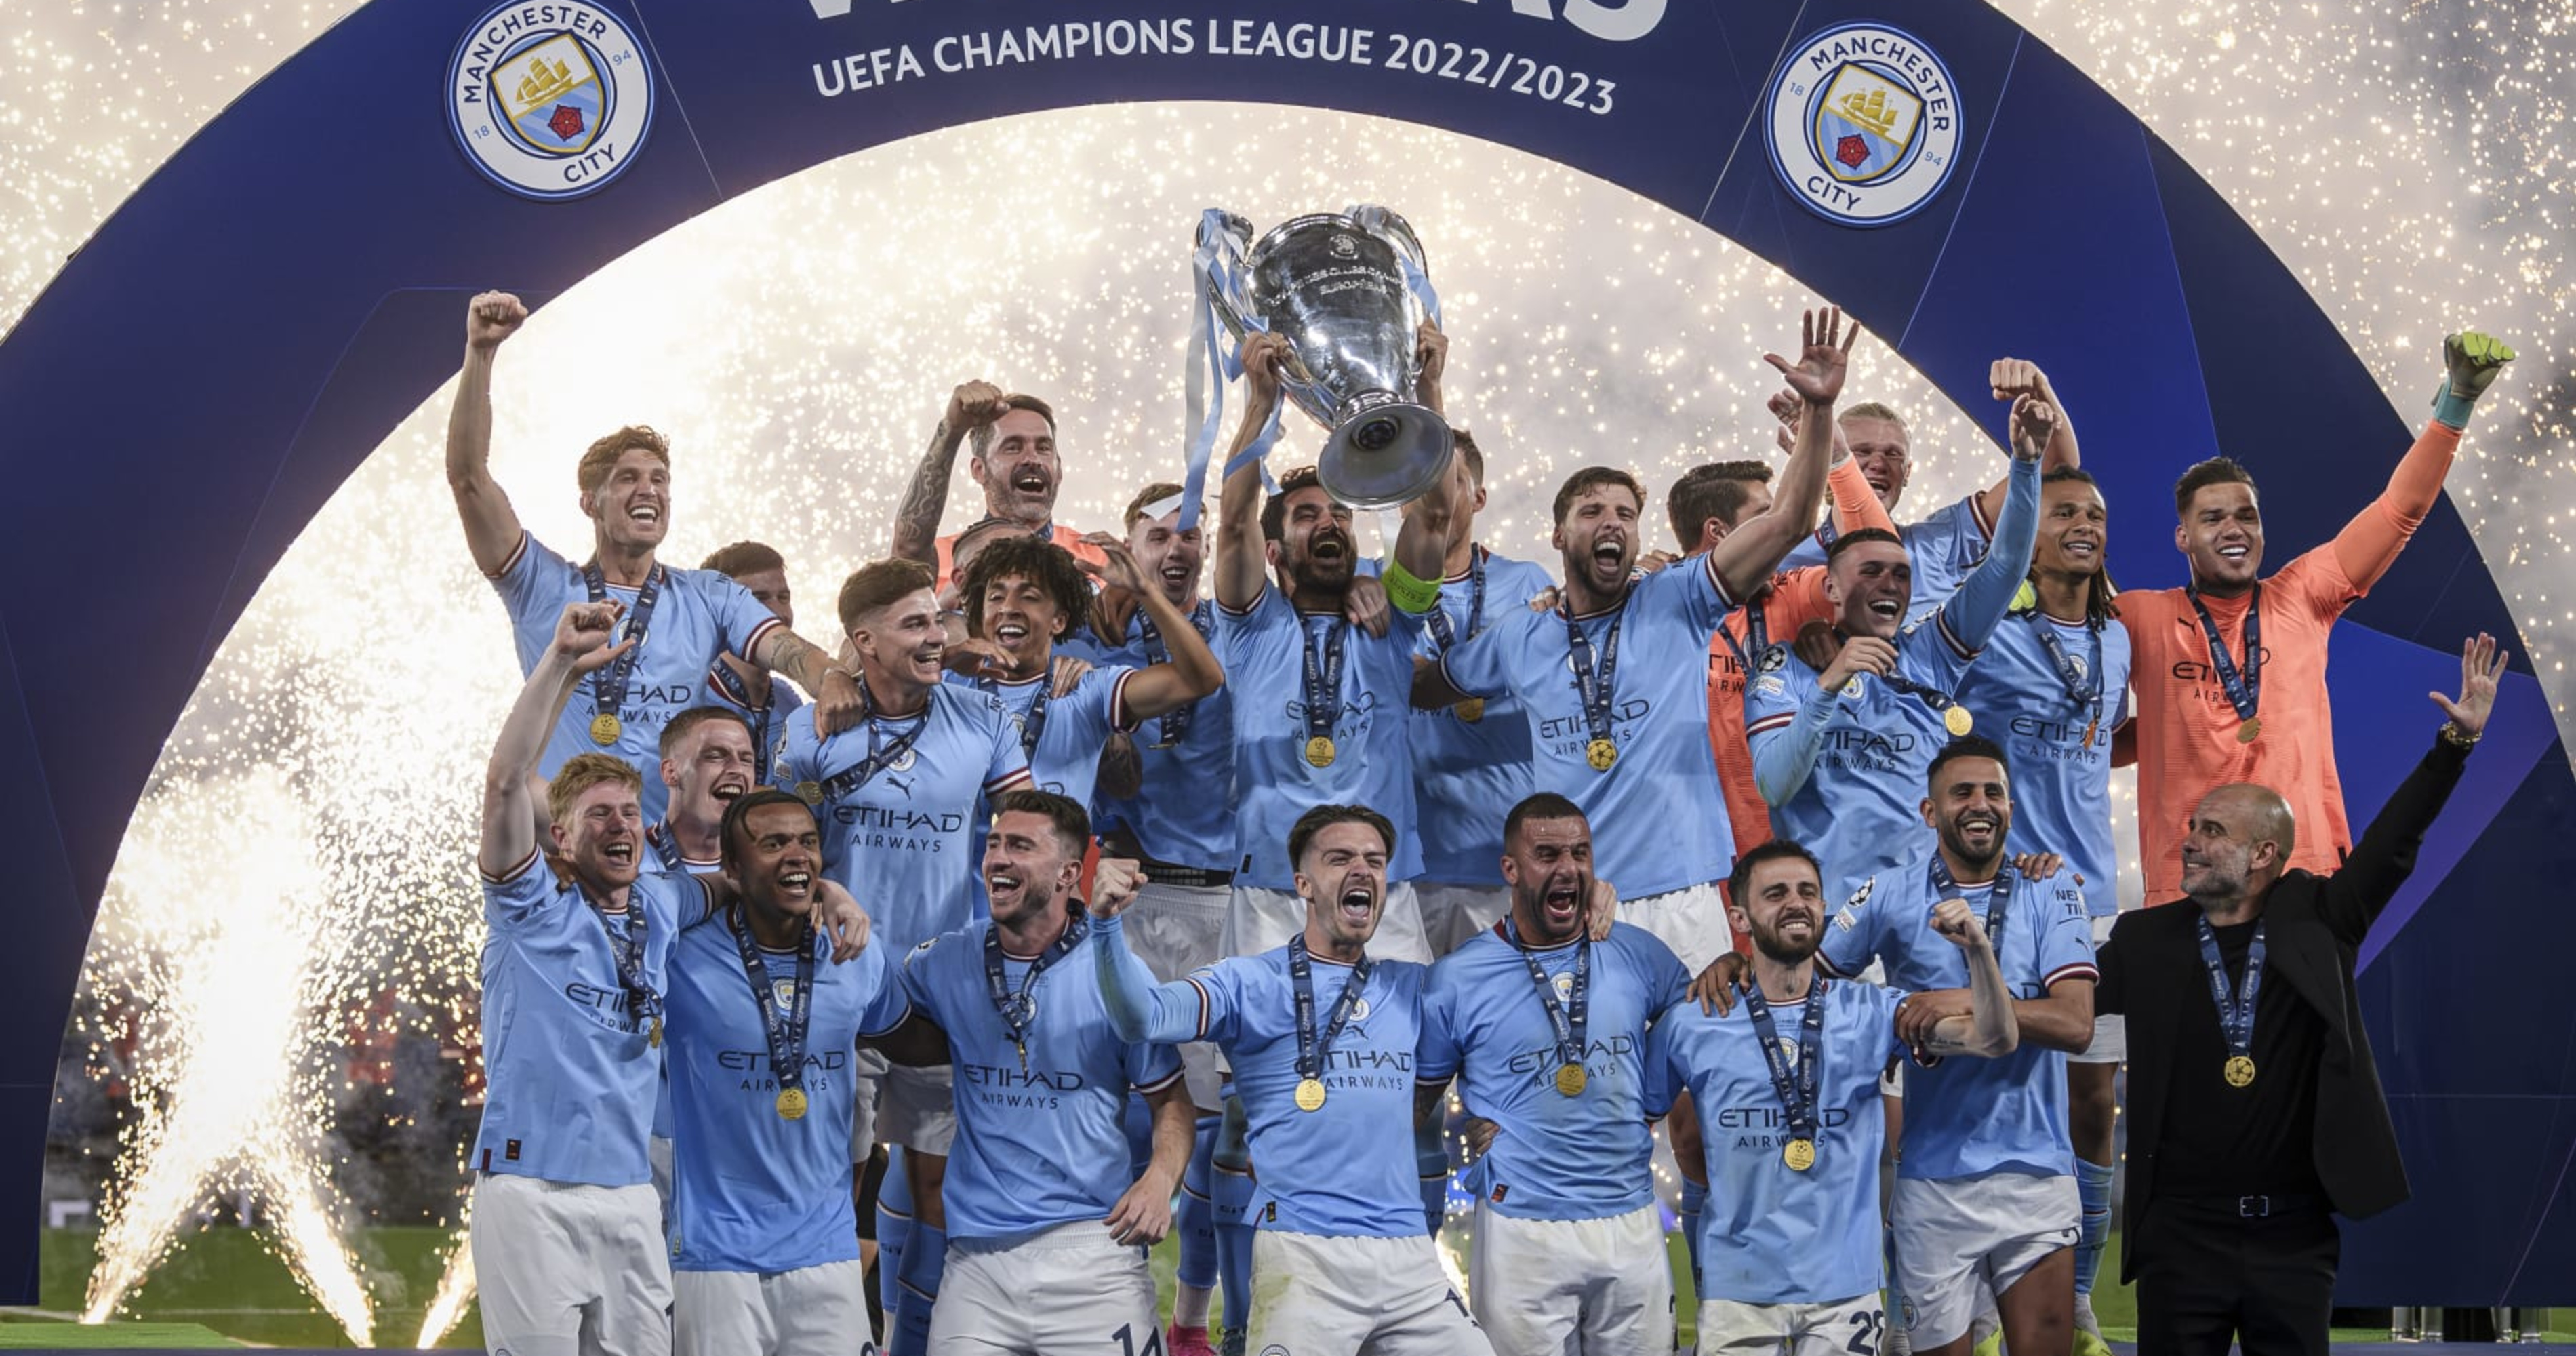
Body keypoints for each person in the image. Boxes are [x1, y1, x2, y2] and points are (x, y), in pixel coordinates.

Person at [470, 601, 867, 1356]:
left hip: (630, 1192)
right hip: (530, 1187)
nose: (620, 826)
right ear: (559, 834)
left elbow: (737, 885)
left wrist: (821, 889)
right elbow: (504, 780)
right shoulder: (528, 909)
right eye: (596, 816)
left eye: (628, 811)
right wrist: (559, 663)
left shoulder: (661, 898)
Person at [2099, 634, 2501, 1356]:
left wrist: (2454, 741)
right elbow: (2062, 1003)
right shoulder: (2142, 938)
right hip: (2179, 1236)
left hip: (2291, 1236)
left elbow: (2393, 841)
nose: (2188, 841)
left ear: (2262, 854)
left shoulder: (2318, 916)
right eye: (2192, 826)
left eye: (2211, 830)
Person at [1417, 306, 1851, 973]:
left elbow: (1788, 519)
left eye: (1625, 511)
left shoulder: (1678, 598)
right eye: (1591, 511)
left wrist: (1820, 413)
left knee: (1694, 1075)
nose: (1610, 521)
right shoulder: (1520, 637)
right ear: (1559, 536)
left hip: (1684, 893)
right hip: (1578, 898)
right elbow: (1421, 683)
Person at [2118, 332, 2515, 904]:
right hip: (2185, 887)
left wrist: (2453, 410)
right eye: (2213, 519)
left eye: (2247, 516)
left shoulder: (2302, 594)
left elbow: (2398, 513)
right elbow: (2083, 733)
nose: (2235, 529)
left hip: (2302, 879)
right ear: (2182, 537)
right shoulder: (2139, 616)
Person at [445, 292, 860, 822]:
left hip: (669, 859)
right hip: (566, 849)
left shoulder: (709, 596)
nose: (649, 491)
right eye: (628, 479)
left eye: (659, 480)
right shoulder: (541, 584)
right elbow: (469, 480)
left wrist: (828, 678)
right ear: (589, 503)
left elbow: (786, 648)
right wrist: (480, 353)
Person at [1091, 805, 1489, 1353]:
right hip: (1306, 1257)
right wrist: (1106, 925)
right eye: (1340, 859)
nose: (1362, 870)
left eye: (1375, 861)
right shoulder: (1249, 982)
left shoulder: (1416, 988)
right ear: (1302, 883)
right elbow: (1142, 1017)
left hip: (1411, 1264)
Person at [768, 557, 1035, 1354]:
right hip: (841, 979)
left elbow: (1022, 832)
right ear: (864, 641)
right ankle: (819, 1336)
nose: (937, 636)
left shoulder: (984, 718)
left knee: (936, 1188)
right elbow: (773, 851)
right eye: (915, 624)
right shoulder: (812, 727)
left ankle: (919, 1340)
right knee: (832, 1182)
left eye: (937, 620)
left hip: (942, 986)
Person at [1647, 839, 2018, 1354]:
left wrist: (1979, 951)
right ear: (1740, 916)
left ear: (1824, 908)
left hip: (1846, 1291)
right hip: (1738, 1290)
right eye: (1775, 893)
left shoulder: (1874, 1012)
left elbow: (1996, 1040)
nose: (1795, 902)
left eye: (1808, 892)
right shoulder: (1693, 1021)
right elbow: (1629, 1120)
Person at [1811, 738, 2099, 1356]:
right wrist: (1735, 961)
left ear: (2011, 810)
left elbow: (2077, 1025)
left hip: (2036, 1174)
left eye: (1994, 792)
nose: (1980, 804)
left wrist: (1955, 997)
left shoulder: (2051, 889)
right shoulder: (1887, 893)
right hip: (1933, 1179)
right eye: (1962, 792)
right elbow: (1808, 979)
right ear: (1929, 811)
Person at [883, 791, 1194, 1355]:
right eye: (994, 844)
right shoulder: (943, 962)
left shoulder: (1120, 975)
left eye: (1020, 846)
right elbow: (874, 1012)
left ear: (1068, 874)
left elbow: (1171, 1101)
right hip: (977, 1263)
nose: (997, 858)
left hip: (1092, 1250)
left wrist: (1159, 1181)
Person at [1949, 456, 2130, 1352]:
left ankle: (2083, 1302)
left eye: (2095, 513)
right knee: (1987, 1103)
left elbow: (2105, 734)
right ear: (2027, 532)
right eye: (2063, 513)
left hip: (2092, 901)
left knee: (2095, 1108)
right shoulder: (1987, 631)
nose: (2084, 525)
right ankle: (1978, 1314)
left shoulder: (2119, 635)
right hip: (2000, 904)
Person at [1747, 389, 2051, 909]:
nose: (1891, 585)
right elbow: (1774, 786)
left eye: (1902, 575)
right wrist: (1828, 687)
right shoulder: (1787, 664)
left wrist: (2025, 464)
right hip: (1818, 915)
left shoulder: (1932, 653)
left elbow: (2004, 569)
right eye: (1872, 572)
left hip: (1926, 914)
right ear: (1831, 589)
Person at [1213, 327, 1460, 963]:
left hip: (1384, 888)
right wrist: (1261, 404)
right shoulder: (1248, 623)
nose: (1329, 523)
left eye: (1341, 514)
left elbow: (1432, 515)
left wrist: (1426, 389)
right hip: (1273, 890)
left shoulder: (1394, 615)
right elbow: (1235, 519)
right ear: (1275, 551)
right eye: (1306, 516)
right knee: (1262, 1063)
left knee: (1399, 1061)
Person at [1413, 793, 1691, 1353]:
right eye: (1547, 854)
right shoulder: (1457, 978)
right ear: (1511, 869)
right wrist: (1466, 1135)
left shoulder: (1637, 952)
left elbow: (1693, 1016)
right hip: (1522, 1230)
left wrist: (1652, 1101)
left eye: (1580, 853)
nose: (1568, 868)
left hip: (1631, 1220)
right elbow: (1414, 1101)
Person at [1064, 482, 1239, 1356]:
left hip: (1217, 897)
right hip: (1125, 899)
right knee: (1131, 1108)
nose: (1175, 547)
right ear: (1126, 541)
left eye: (1189, 537)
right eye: (1155, 534)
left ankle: (1193, 1322)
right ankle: (1109, 1303)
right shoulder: (1091, 644)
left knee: (1210, 1128)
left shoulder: (1237, 622)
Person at [664, 789, 910, 1356]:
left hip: (828, 1253)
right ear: (730, 867)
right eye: (773, 844)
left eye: (807, 843)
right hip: (716, 1257)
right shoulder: (681, 956)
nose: (796, 856)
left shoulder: (853, 951)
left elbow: (912, 1040)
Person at [1681, 391, 1897, 867]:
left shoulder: (1793, 591)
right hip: (1692, 865)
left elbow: (1876, 559)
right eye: (1766, 517)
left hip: (1797, 855)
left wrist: (1836, 454)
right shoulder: (1656, 606)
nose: (1785, 529)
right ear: (1718, 533)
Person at [1407, 428, 1563, 953]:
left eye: (1452, 483)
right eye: (1420, 483)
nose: (1436, 498)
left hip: (1505, 856)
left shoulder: (1527, 583)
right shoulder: (1374, 584)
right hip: (1408, 863)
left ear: (1478, 497)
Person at [1780, 361, 2082, 624]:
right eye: (1860, 451)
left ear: (1908, 473)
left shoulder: (1940, 545)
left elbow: (2055, 474)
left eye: (1893, 455)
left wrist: (2039, 390)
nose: (1878, 464)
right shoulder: (1785, 561)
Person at [952, 534, 1222, 807]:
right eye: (996, 597)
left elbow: (1201, 679)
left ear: (1059, 620)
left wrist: (1146, 591)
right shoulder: (946, 683)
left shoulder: (1090, 689)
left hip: (1053, 848)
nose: (1008, 608)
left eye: (1029, 597)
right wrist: (942, 662)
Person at [891, 382, 1108, 589]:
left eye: (1044, 448)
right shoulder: (945, 559)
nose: (1032, 459)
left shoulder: (1102, 561)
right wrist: (951, 430)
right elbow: (908, 550)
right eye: (1013, 447)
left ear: (1059, 469)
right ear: (979, 470)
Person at [700, 541, 807, 786]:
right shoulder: (685, 699)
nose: (779, 613)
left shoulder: (787, 698)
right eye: (759, 600)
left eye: (783, 597)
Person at [647, 707, 758, 875]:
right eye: (715, 756)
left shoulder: (765, 865)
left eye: (746, 760)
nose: (737, 769)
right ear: (671, 773)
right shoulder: (627, 859)